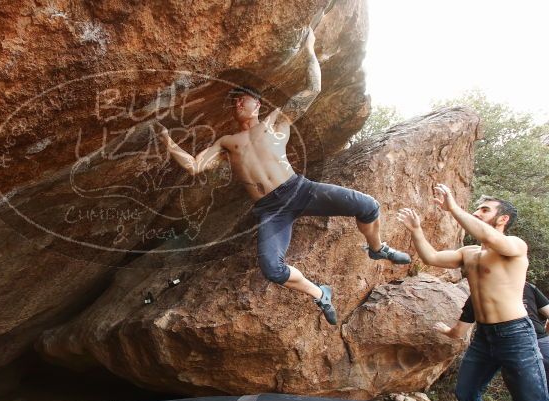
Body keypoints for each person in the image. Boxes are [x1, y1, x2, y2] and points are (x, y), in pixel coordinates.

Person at [154, 27, 410, 325]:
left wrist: (310, 49)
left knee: (368, 206)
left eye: (243, 99)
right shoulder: (227, 143)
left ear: (257, 104)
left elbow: (312, 89)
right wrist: (168, 142)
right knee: (272, 270)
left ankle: (378, 249)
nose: (238, 104)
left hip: (299, 190)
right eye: (234, 101)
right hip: (270, 210)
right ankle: (320, 293)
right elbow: (195, 166)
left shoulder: (277, 121)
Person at [398, 187, 549, 401]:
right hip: (484, 335)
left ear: (502, 219)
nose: (477, 213)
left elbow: (488, 236)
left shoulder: (514, 246)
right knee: (466, 391)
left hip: (515, 333)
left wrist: (454, 208)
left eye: (485, 210)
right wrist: (416, 230)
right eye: (478, 209)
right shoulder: (469, 253)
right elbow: (431, 257)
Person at [435, 281, 549, 401]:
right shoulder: (526, 286)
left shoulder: (481, 292)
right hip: (540, 344)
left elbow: (458, 332)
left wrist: (445, 329)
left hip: (514, 346)